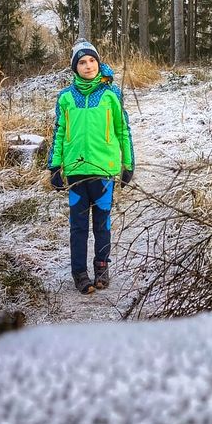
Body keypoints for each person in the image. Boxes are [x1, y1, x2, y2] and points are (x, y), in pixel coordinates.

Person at [48, 40, 135, 294]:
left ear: (99, 62)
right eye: (82, 62)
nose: (88, 66)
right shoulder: (65, 97)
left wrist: (128, 163)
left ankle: (101, 267)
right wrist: (54, 166)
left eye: (92, 61)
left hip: (104, 170)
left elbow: (123, 129)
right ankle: (79, 273)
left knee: (102, 223)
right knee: (78, 226)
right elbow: (59, 132)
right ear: (75, 68)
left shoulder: (111, 94)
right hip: (76, 172)